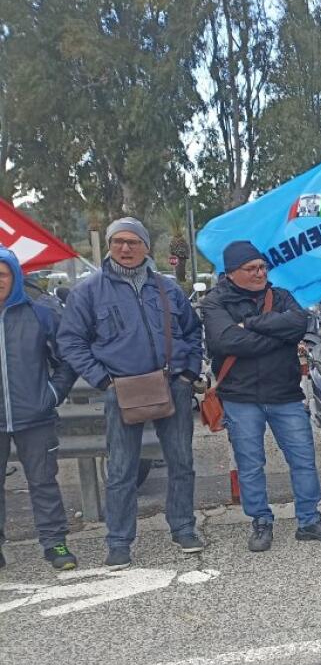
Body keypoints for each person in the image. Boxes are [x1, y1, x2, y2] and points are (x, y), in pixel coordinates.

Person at [57, 217, 205, 570]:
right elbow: (71, 341)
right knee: (122, 469)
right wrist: (103, 381)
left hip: (172, 385)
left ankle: (183, 527)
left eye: (133, 242)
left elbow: (193, 332)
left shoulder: (168, 290)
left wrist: (188, 374)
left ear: (146, 246)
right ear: (110, 246)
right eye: (118, 242)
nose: (125, 248)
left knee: (181, 462)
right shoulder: (88, 292)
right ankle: (119, 541)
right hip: (121, 390)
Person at [201, 241, 321, 551]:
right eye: (251, 268)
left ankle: (309, 519)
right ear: (230, 273)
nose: (260, 273)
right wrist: (276, 338)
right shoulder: (215, 302)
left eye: (262, 267)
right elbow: (225, 341)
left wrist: (251, 325)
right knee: (251, 463)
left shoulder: (280, 295)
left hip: (285, 393)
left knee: (304, 459)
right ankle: (260, 521)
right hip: (240, 396)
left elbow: (298, 324)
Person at [0, 247, 78, 570]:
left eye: (2, 274)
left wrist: (52, 393)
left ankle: (55, 543)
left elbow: (67, 360)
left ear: (15, 276)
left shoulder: (40, 312)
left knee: (44, 481)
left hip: (36, 416)